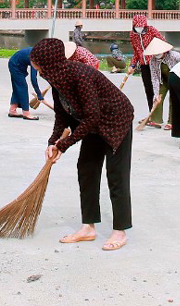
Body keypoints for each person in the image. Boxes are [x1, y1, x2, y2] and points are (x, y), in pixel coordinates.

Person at [30, 38, 134, 252]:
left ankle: (120, 231)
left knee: (116, 175)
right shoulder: (56, 77)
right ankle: (88, 227)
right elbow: (61, 114)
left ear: (49, 62)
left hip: (116, 120)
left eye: (38, 65)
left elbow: (91, 117)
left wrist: (65, 143)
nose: (38, 70)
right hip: (93, 124)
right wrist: (53, 142)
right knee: (86, 169)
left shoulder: (80, 75)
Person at [141, 39, 180, 130]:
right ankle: (156, 120)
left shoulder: (174, 55)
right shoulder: (153, 61)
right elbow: (154, 77)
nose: (156, 54)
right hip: (164, 81)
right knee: (157, 99)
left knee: (173, 100)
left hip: (176, 80)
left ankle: (171, 122)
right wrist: (156, 93)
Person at [128, 14, 166, 110]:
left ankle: (156, 116)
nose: (139, 28)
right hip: (143, 65)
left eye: (141, 26)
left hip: (155, 63)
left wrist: (159, 56)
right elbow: (136, 51)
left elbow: (162, 42)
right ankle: (151, 113)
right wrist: (132, 65)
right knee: (148, 89)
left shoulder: (151, 30)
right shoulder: (133, 35)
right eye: (137, 26)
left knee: (156, 89)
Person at [8, 46, 46, 120]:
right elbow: (33, 79)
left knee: (17, 87)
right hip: (15, 65)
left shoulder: (40, 54)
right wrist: (39, 94)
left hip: (17, 63)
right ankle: (26, 113)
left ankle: (12, 110)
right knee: (22, 88)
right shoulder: (35, 57)